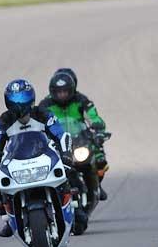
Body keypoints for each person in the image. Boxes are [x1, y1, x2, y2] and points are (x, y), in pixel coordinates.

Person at [0, 79, 76, 237]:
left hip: (44, 156)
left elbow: (60, 134)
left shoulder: (43, 114)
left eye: (23, 102)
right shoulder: (3, 121)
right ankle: (8, 218)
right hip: (16, 162)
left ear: (31, 100)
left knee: (72, 173)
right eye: (15, 103)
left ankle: (74, 209)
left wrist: (66, 155)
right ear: (8, 102)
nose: (19, 107)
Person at [39, 68, 110, 201]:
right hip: (57, 144)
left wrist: (99, 129)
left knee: (100, 160)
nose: (62, 95)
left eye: (65, 91)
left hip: (80, 140)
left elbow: (94, 116)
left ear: (71, 89)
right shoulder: (45, 105)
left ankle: (97, 185)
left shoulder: (81, 100)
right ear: (52, 91)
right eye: (59, 92)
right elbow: (37, 122)